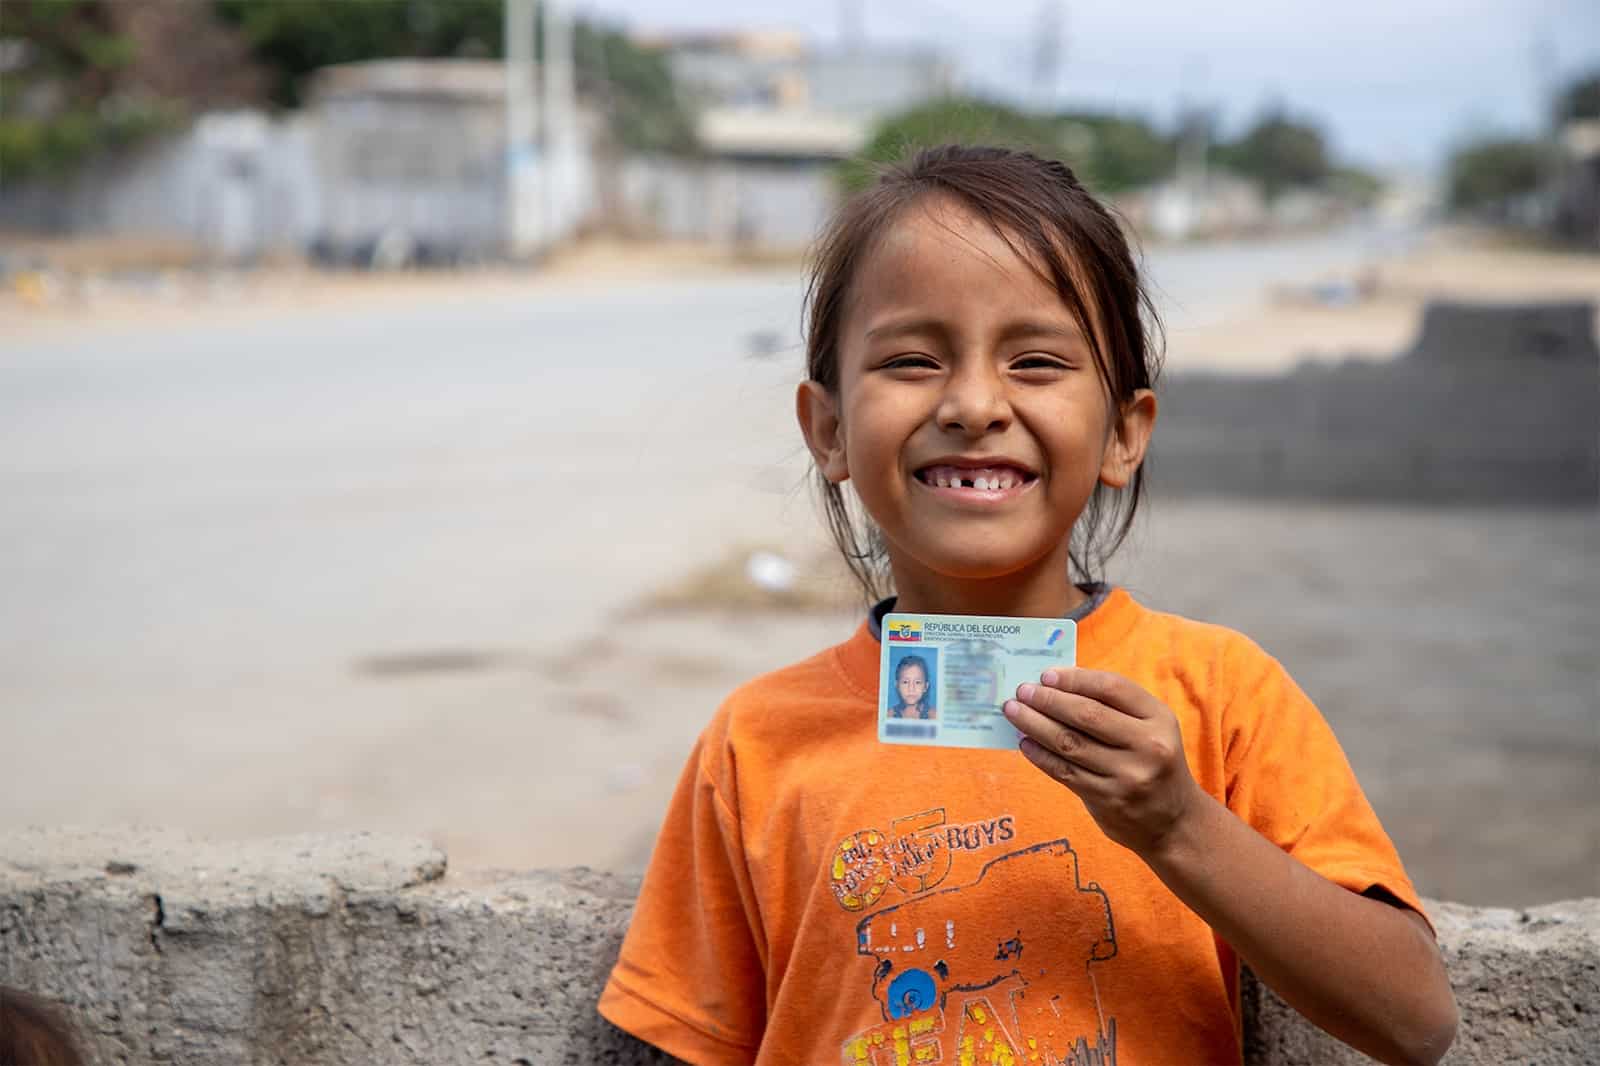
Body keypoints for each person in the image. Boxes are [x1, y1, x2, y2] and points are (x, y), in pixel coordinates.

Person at [597, 145, 1457, 1065]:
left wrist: (1179, 825)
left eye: (1038, 361)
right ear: (831, 429)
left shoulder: (1218, 695)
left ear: (1124, 433)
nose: (973, 404)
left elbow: (1413, 1018)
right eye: (914, 359)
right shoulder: (756, 741)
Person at [888, 653, 936, 719]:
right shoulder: (889, 715)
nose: (911, 688)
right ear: (897, 685)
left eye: (917, 682)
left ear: (925, 687)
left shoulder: (934, 716)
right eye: (905, 682)